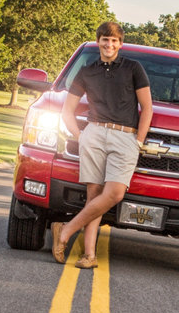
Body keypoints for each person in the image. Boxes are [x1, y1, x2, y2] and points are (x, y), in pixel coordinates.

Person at [51, 22, 153, 267]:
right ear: (98, 41)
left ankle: (65, 230)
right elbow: (67, 111)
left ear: (120, 43)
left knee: (114, 193)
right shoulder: (87, 71)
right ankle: (89, 255)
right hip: (93, 134)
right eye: (105, 40)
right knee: (94, 196)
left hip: (125, 137)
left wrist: (138, 141)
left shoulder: (133, 68)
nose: (109, 44)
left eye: (114, 40)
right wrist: (80, 137)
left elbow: (147, 107)